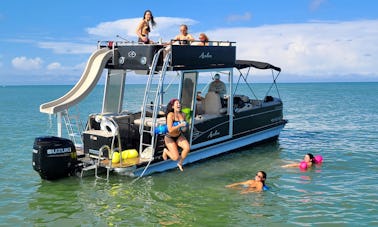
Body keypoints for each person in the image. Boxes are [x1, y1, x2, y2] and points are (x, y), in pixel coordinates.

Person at [162, 99, 190, 171]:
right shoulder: (170, 115)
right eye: (177, 104)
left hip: (178, 135)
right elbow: (170, 129)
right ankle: (165, 151)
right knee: (175, 158)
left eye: (179, 103)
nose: (179, 105)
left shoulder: (181, 115)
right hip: (169, 137)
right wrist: (179, 125)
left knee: (187, 148)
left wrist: (185, 125)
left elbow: (183, 127)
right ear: (173, 106)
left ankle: (180, 163)